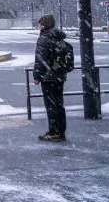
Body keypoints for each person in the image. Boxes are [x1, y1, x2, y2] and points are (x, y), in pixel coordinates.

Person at [33, 14, 68, 142]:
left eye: (40, 24)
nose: (39, 26)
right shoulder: (58, 36)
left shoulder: (44, 38)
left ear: (44, 25)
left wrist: (37, 76)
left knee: (51, 105)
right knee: (58, 104)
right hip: (59, 75)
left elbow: (40, 59)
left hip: (48, 77)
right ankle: (60, 131)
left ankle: (54, 132)